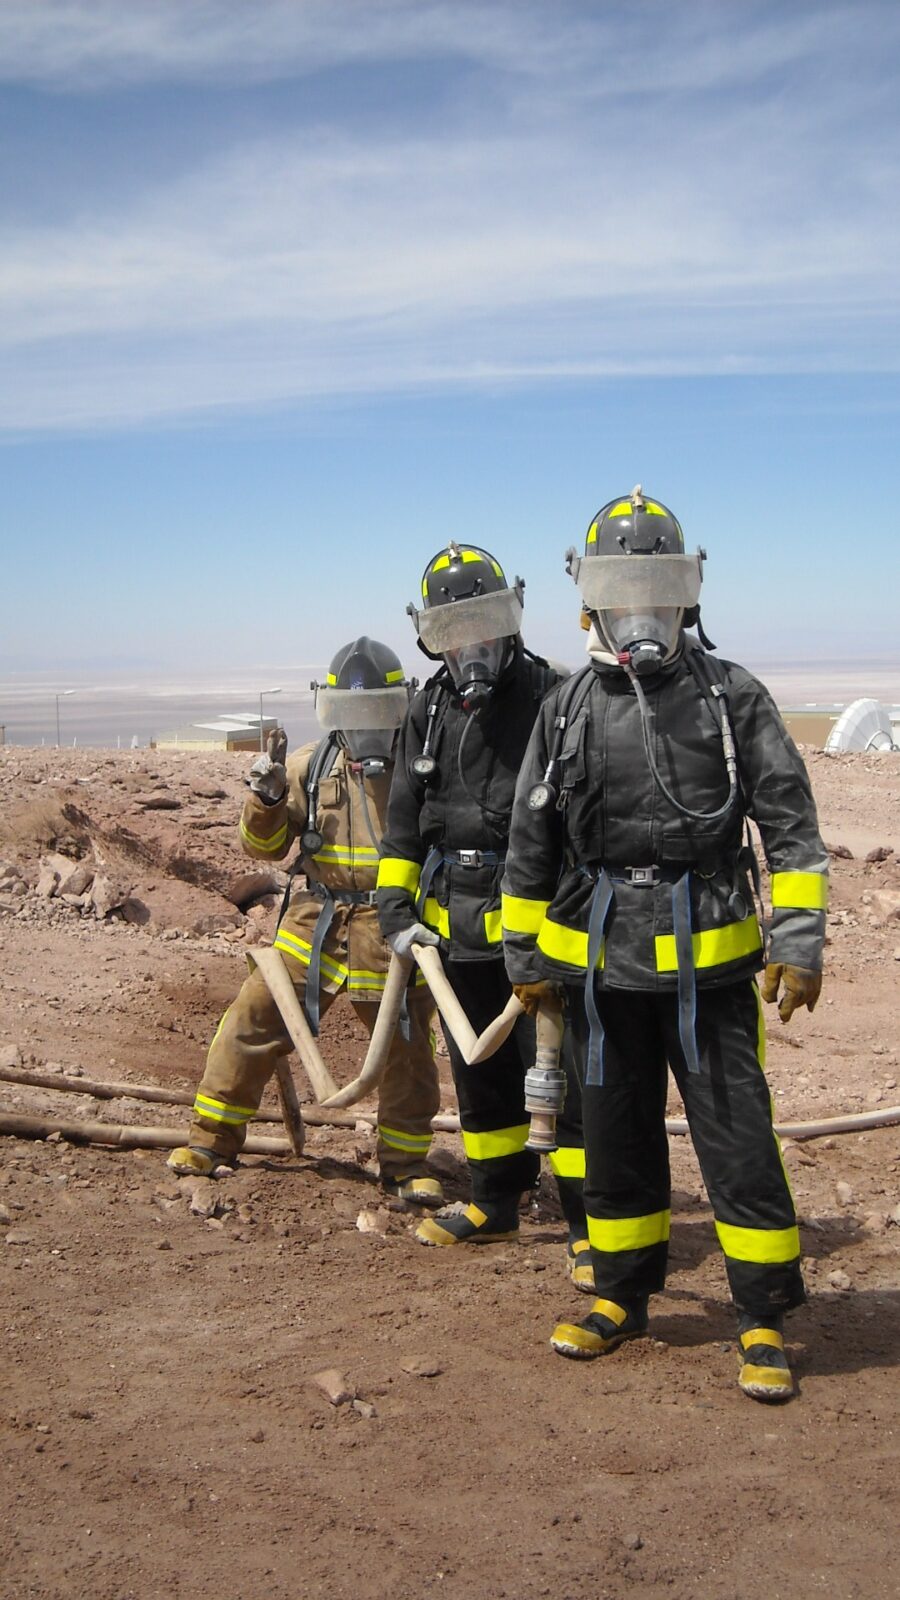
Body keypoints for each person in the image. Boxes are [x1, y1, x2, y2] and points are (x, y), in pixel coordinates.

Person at [502, 488, 828, 1402]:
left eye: (658, 590)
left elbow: (791, 832)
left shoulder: (733, 698)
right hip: (602, 973)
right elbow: (531, 847)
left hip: (713, 975)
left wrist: (799, 941)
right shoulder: (566, 707)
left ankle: (761, 1316)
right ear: (589, 601)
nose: (641, 613)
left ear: (688, 594)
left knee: (737, 1142)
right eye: (622, 591)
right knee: (613, 1140)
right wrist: (528, 961)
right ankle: (621, 1297)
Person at [376, 544, 590, 1287]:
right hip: (457, 927)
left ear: (511, 622)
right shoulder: (427, 709)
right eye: (455, 634)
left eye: (485, 628)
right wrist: (394, 907)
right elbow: (404, 821)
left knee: (558, 1073)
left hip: (541, 928)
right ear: (435, 638)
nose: (473, 649)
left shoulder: (557, 698)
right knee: (481, 1073)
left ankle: (588, 1226)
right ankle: (496, 1204)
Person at [167, 637, 443, 1205]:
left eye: (378, 714)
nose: (365, 730)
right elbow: (261, 850)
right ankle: (210, 1139)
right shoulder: (308, 768)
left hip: (391, 927)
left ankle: (405, 1164)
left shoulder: (422, 769)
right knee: (251, 1019)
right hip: (313, 922)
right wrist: (266, 801)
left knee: (407, 1049)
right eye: (351, 715)